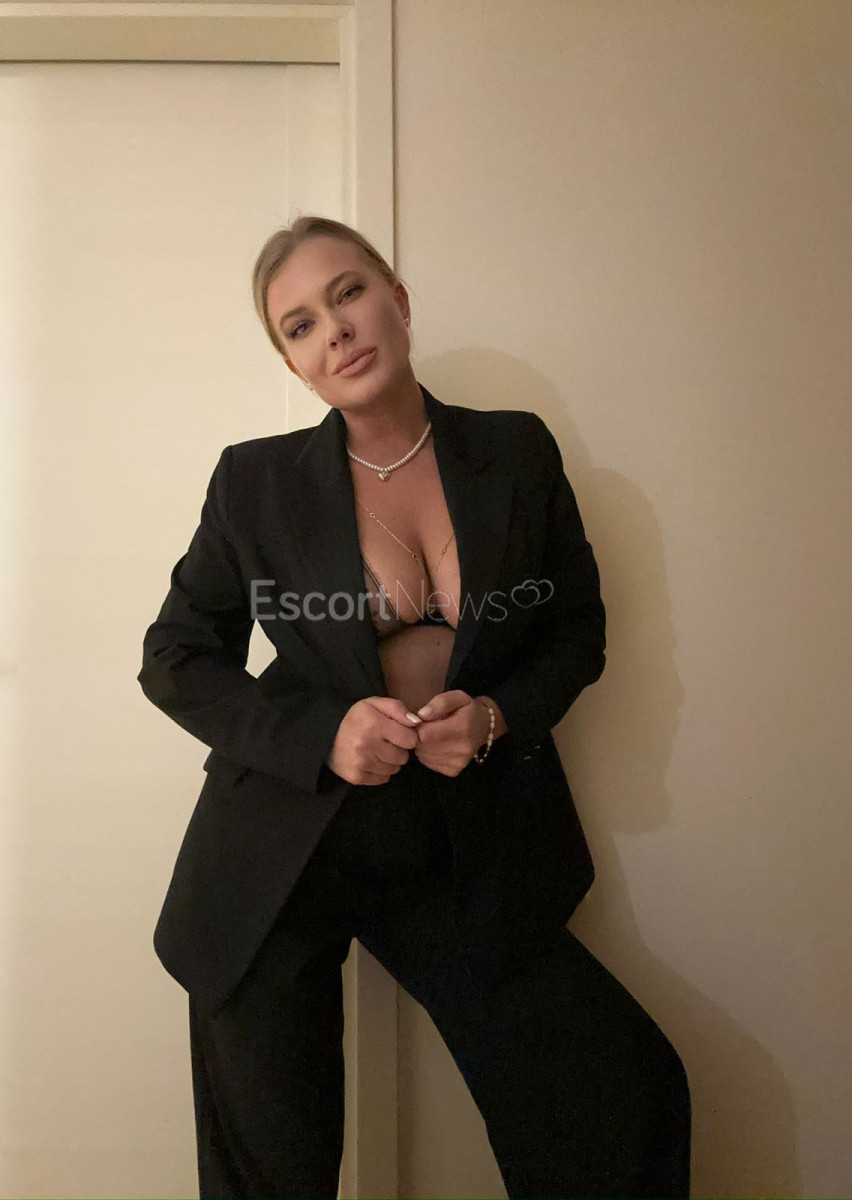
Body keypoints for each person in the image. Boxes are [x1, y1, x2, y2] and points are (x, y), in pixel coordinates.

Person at [137, 215, 691, 1199]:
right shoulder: (255, 482)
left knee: (622, 1093)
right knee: (274, 1167)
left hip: (456, 837)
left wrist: (496, 717)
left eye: (348, 293)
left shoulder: (514, 452)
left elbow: (576, 630)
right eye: (301, 325)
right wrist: (322, 734)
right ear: (294, 365)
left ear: (396, 299)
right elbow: (177, 657)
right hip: (281, 848)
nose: (336, 331)